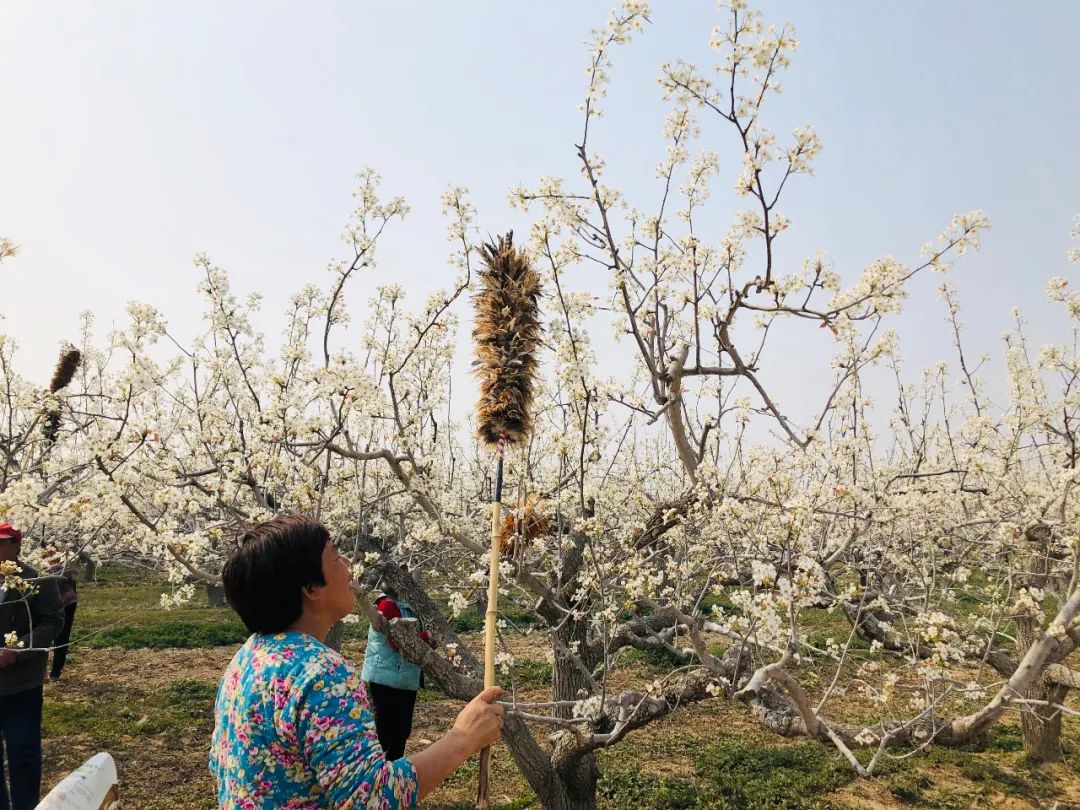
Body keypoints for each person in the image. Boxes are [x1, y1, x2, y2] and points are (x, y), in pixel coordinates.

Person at [210, 515, 504, 808]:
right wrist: (463, 738)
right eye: (336, 557)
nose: (348, 564)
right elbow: (372, 798)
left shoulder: (246, 660)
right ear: (311, 588)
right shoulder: (319, 674)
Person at [0, 522, 65, 810]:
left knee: (23, 750)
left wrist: (17, 650)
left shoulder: (37, 580)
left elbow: (53, 622)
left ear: (16, 546)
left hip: (21, 683)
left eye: (3, 542)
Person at [361, 584, 434, 761]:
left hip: (406, 678)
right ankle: (374, 772)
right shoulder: (387, 606)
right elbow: (398, 642)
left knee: (401, 731)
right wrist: (427, 637)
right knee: (385, 732)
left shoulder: (408, 607)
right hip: (386, 677)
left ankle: (392, 775)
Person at [48, 562, 78, 681]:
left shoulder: (68, 560)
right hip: (48, 603)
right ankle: (44, 672)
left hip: (66, 603)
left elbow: (72, 577)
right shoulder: (39, 561)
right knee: (43, 635)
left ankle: (55, 673)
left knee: (61, 637)